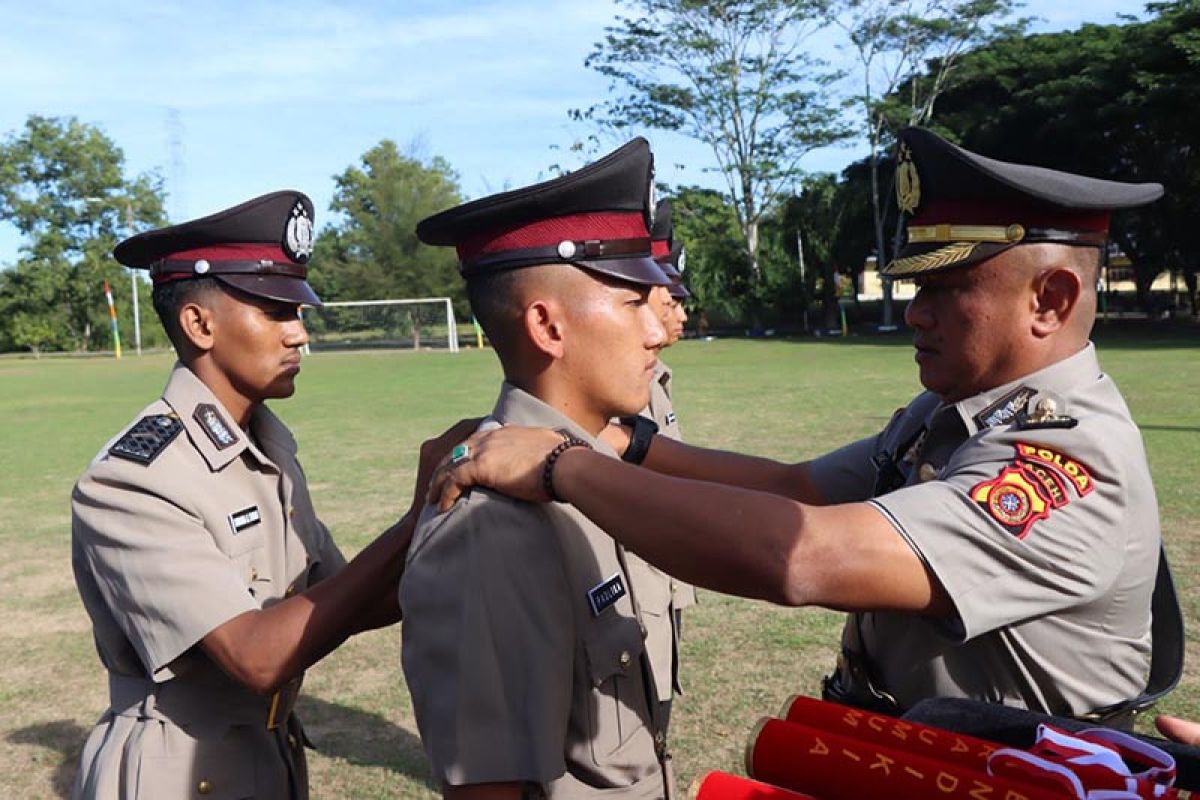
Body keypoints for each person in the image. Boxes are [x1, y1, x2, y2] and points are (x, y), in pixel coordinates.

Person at [429, 127, 1167, 724]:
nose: (914, 312)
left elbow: (803, 559)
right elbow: (797, 487)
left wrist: (562, 465)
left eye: (944, 288)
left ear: (1051, 299)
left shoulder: (1068, 463)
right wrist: (623, 443)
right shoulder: (950, 417)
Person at [70, 191, 463, 800]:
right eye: (275, 312)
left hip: (265, 754)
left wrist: (458, 516)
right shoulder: (133, 478)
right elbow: (256, 658)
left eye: (298, 312)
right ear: (199, 325)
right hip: (176, 771)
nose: (299, 334)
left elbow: (352, 597)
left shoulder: (268, 446)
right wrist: (414, 521)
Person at [401, 138, 678, 799]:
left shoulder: (593, 466)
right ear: (548, 328)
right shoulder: (491, 527)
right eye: (632, 302)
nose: (658, 331)